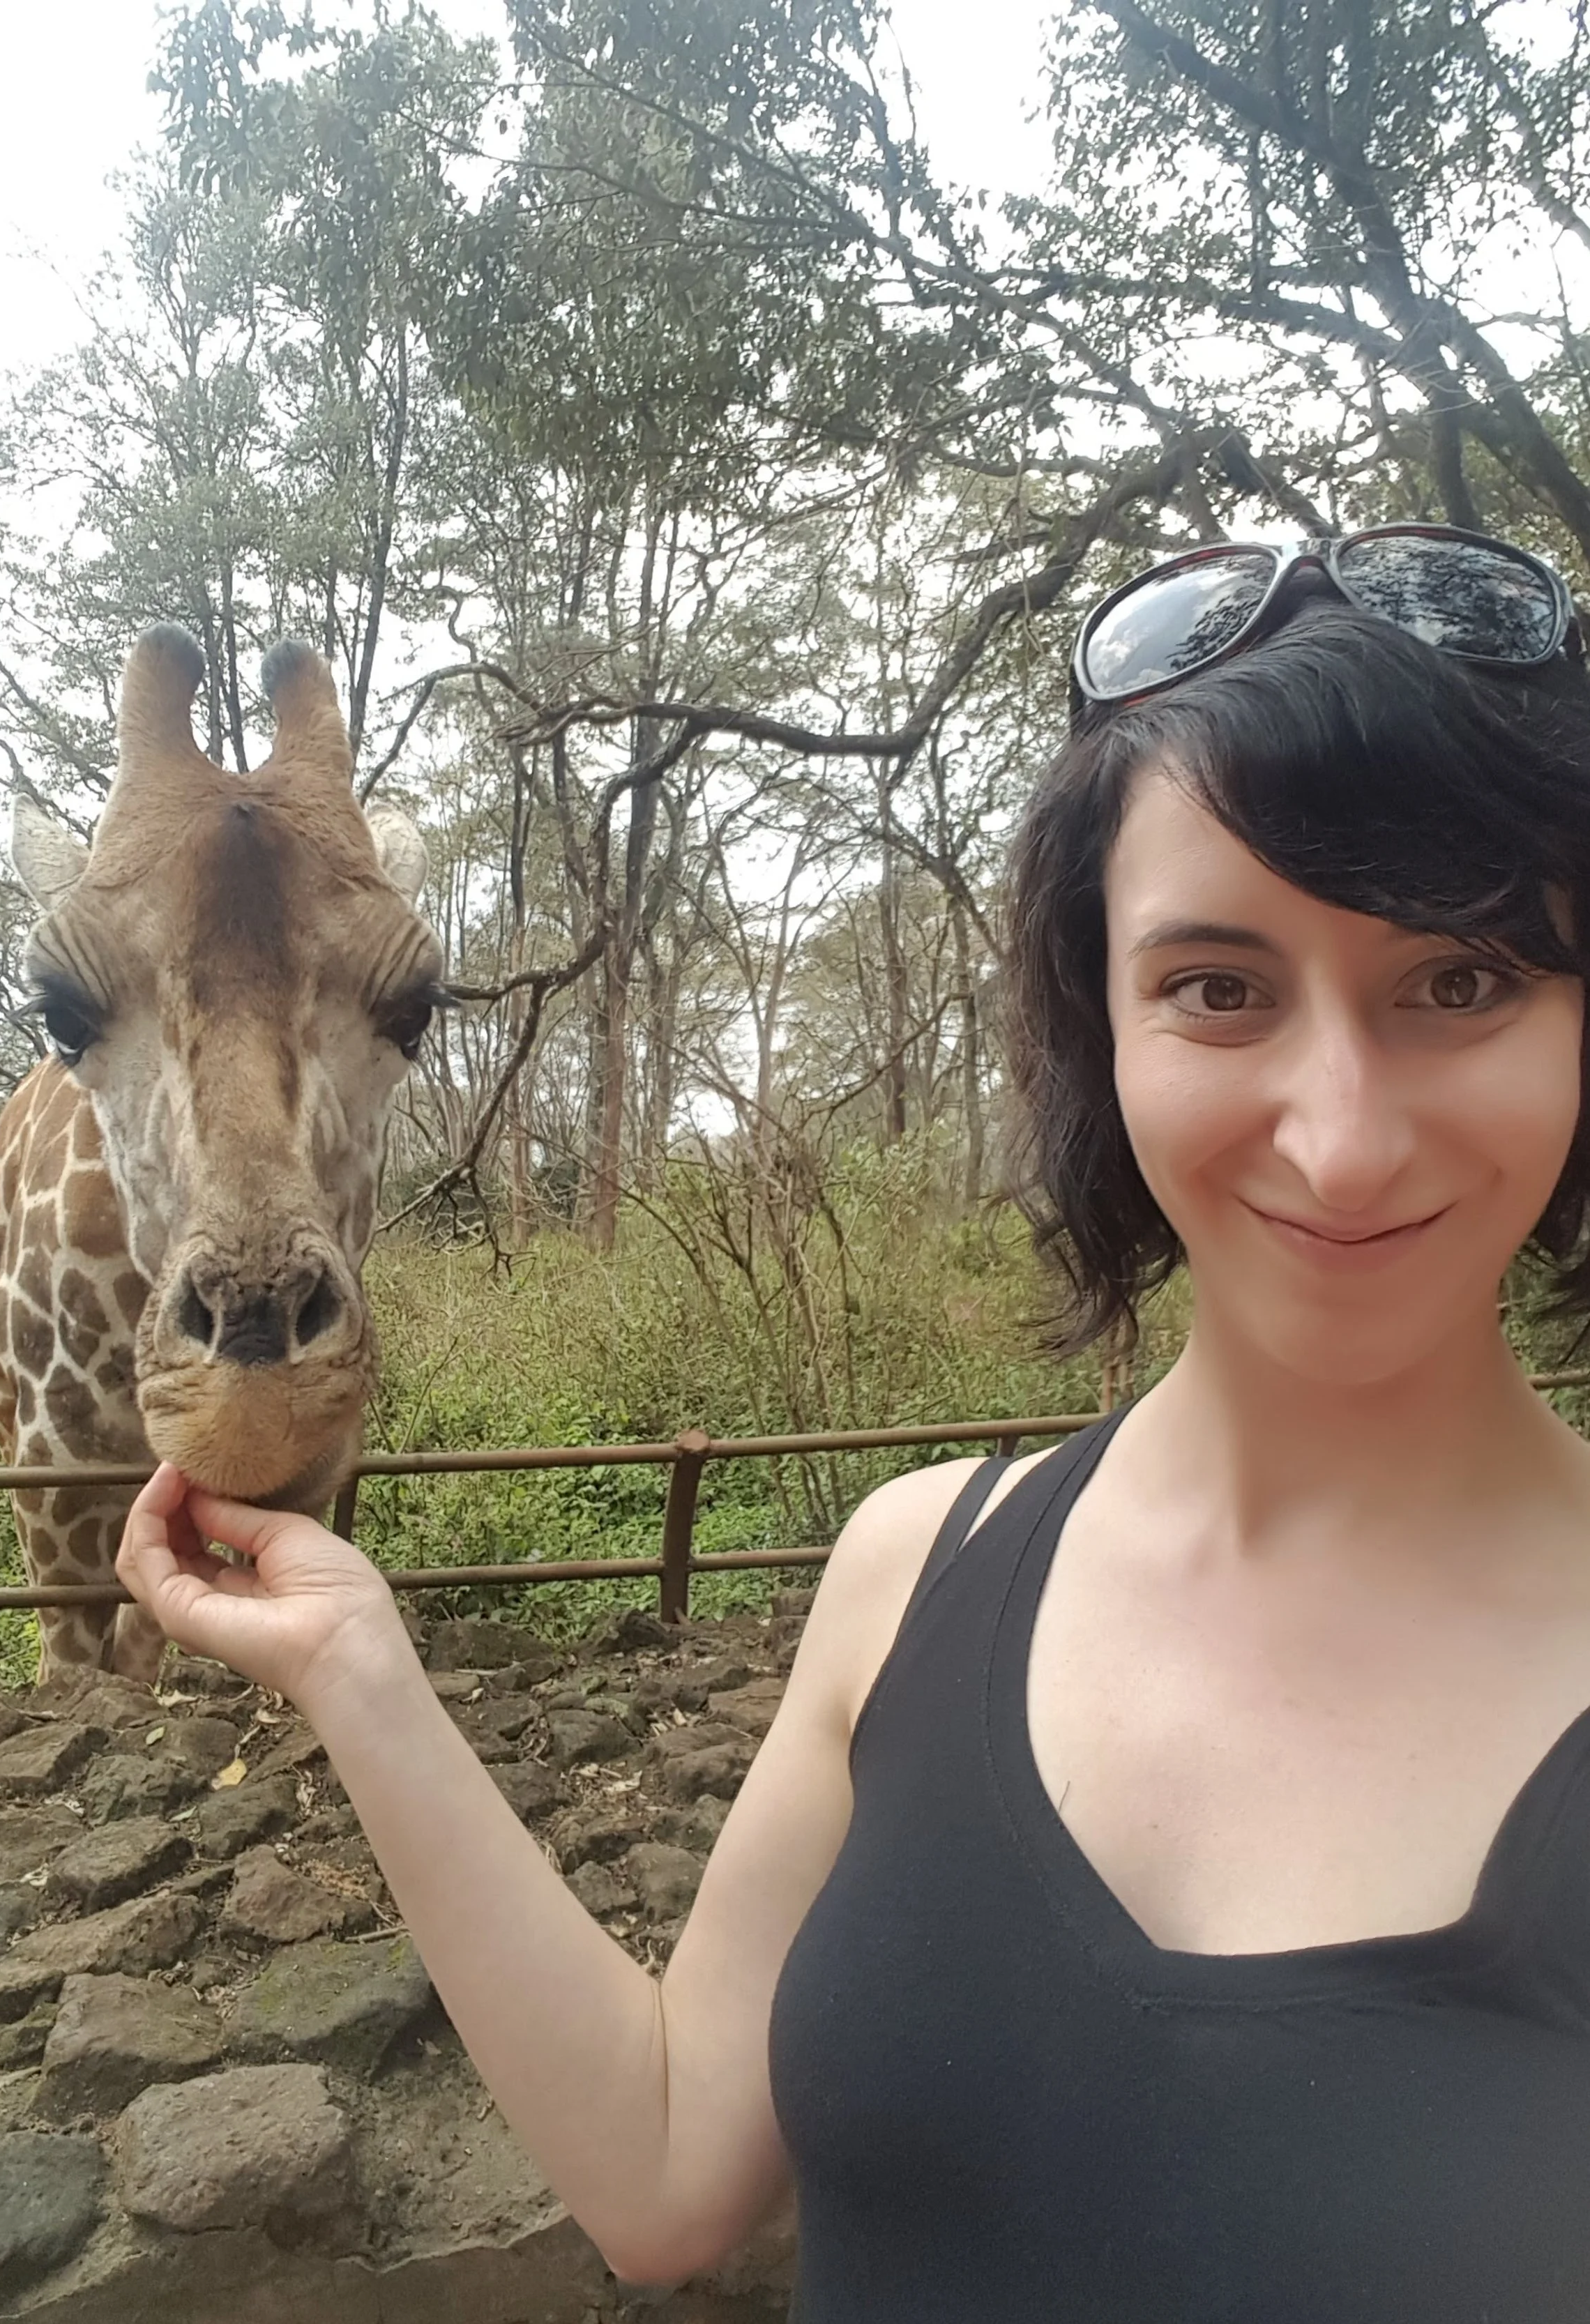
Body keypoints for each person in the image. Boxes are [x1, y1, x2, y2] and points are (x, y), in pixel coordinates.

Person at [118, 522, 1590, 2321]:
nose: (1342, 1135)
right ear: (1098, 1023)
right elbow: (667, 2178)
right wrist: (363, 1672)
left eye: (1464, 981)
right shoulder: (912, 1575)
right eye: (1219, 986)